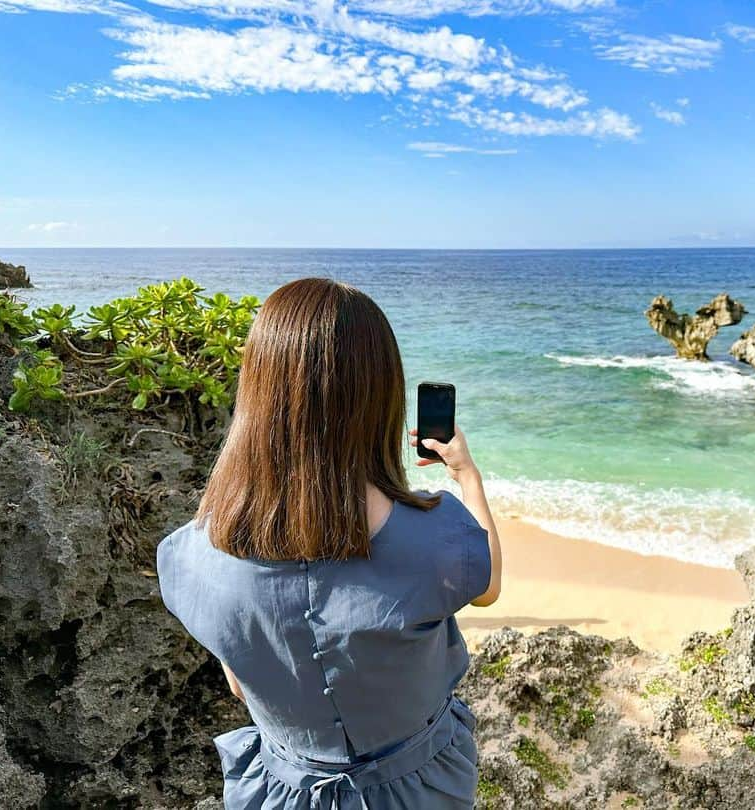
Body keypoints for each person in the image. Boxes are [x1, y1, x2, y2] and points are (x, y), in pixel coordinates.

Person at [155, 277, 502, 809]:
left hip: (282, 790)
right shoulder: (434, 537)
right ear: (379, 396)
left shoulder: (195, 557)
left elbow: (241, 686)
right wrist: (469, 478)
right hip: (423, 787)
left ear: (257, 395)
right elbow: (487, 587)